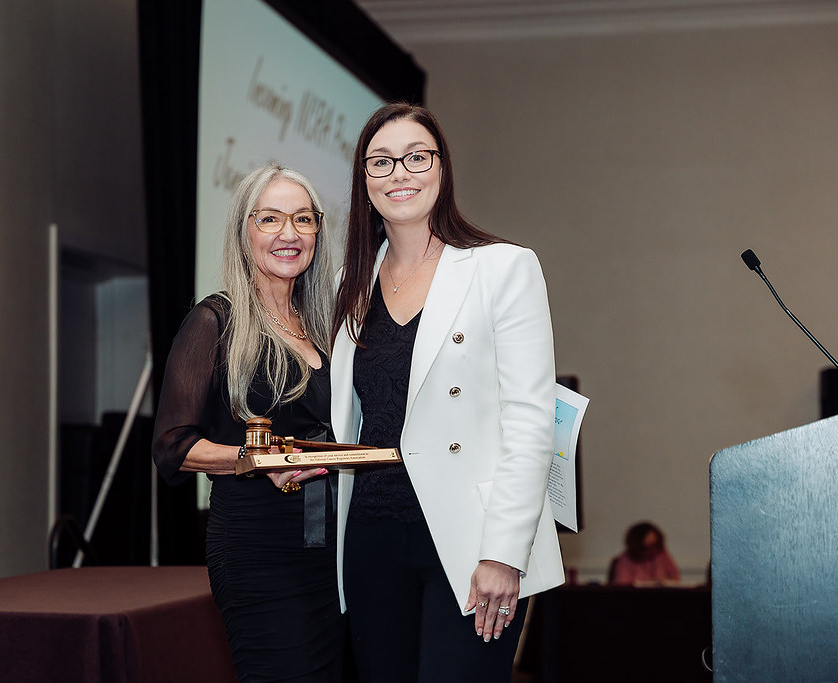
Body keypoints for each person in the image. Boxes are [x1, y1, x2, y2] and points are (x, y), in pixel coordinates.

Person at [330, 102, 565, 682]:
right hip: (371, 534)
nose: (399, 173)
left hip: (470, 540)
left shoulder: (503, 268)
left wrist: (504, 553)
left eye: (416, 157)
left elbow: (531, 420)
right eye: (381, 162)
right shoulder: (348, 284)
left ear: (442, 168)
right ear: (364, 181)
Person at [152, 164, 344, 682]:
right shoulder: (215, 320)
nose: (289, 233)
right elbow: (172, 446)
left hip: (329, 550)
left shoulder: (325, 328)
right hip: (259, 551)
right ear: (244, 232)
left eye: (303, 219)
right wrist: (256, 459)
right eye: (270, 218)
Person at [609, 521, 680, 586]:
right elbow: (622, 586)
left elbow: (675, 578)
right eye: (647, 547)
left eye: (654, 545)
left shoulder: (661, 554)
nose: (652, 551)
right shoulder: (625, 560)